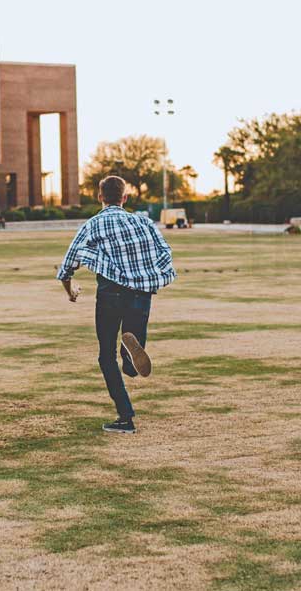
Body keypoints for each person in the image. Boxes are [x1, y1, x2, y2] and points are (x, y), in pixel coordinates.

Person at [56, 175, 176, 434]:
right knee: (131, 352)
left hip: (111, 293)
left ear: (99, 197)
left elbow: (67, 265)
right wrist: (153, 274)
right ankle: (132, 358)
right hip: (141, 292)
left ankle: (125, 417)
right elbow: (165, 251)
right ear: (125, 198)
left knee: (106, 355)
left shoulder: (92, 225)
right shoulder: (143, 222)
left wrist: (70, 290)